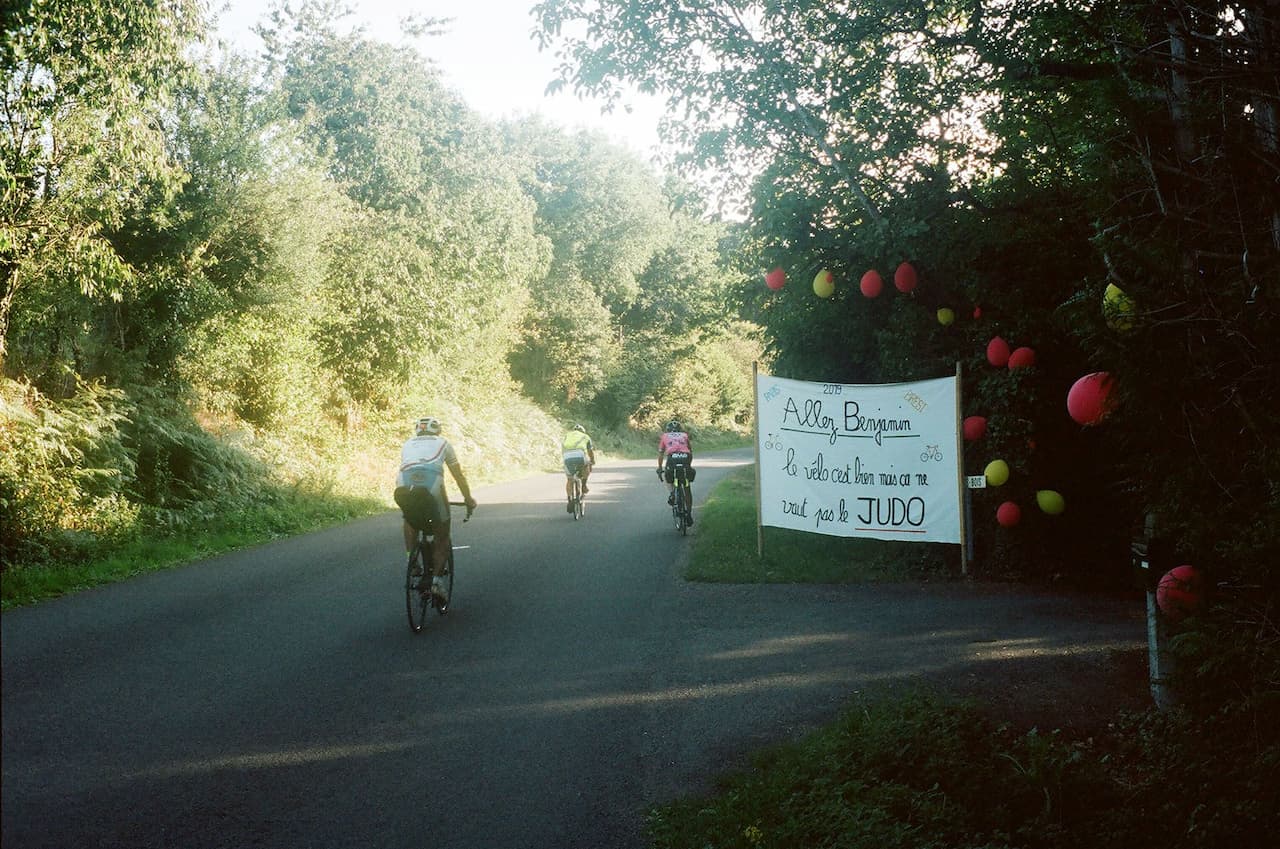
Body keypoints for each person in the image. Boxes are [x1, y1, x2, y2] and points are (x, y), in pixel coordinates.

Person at [393, 416, 477, 604]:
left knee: (410, 518)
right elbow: (458, 475)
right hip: (432, 485)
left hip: (403, 485)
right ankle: (437, 583)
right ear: (437, 430)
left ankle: (411, 560)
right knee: (442, 533)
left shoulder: (407, 444)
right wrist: (468, 498)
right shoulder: (443, 443)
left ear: (418, 430)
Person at [657, 419, 694, 524]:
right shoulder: (684, 435)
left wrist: (660, 468)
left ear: (668, 430)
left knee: (668, 477)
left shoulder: (665, 436)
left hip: (672, 458)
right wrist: (688, 466)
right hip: (685, 457)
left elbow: (661, 454)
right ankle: (689, 514)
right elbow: (690, 451)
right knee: (686, 486)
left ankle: (672, 493)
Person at [561, 423, 595, 513]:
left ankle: (569, 499)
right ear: (583, 431)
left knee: (569, 479)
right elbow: (590, 451)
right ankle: (584, 485)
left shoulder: (566, 436)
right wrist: (592, 461)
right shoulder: (585, 436)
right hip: (580, 454)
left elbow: (563, 449)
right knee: (587, 465)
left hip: (567, 456)